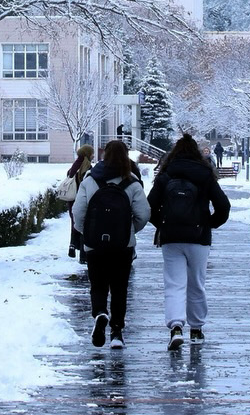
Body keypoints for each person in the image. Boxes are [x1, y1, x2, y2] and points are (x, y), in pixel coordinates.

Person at [149, 133, 231, 350]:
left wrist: (162, 224)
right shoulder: (204, 174)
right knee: (197, 283)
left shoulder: (166, 174)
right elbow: (223, 206)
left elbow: (149, 207)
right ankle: (196, 328)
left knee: (174, 283)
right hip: (199, 237)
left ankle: (176, 326)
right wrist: (209, 223)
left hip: (171, 238)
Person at [73, 140, 150, 349]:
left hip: (95, 244)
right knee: (119, 288)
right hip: (122, 245)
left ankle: (100, 313)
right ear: (126, 156)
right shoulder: (132, 182)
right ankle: (117, 332)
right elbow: (144, 214)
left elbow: (78, 211)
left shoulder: (91, 179)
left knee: (97, 285)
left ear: (104, 155)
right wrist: (129, 230)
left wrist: (86, 231)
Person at [65, 144, 95, 259]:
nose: (93, 155)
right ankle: (83, 254)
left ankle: (72, 246)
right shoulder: (87, 167)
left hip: (72, 199)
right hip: (83, 198)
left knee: (74, 222)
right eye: (91, 153)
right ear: (87, 154)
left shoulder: (74, 165)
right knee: (84, 224)